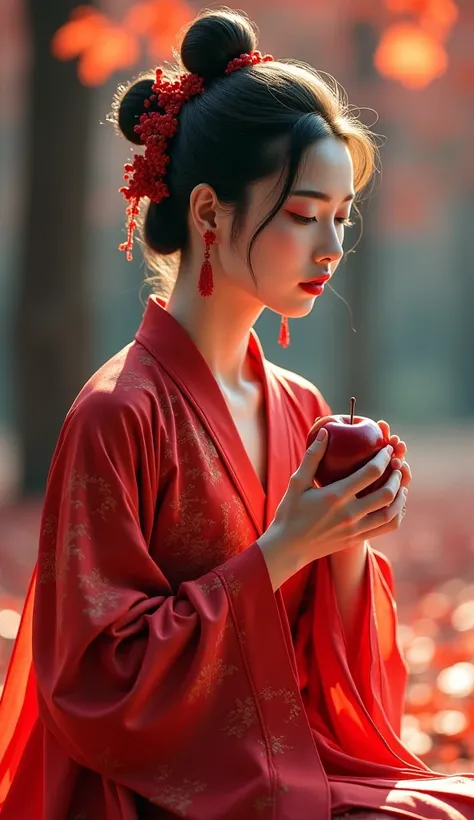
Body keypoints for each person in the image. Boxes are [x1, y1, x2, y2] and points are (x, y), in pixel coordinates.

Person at [0, 7, 473, 819]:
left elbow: (331, 676)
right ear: (210, 213)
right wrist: (285, 549)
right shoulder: (118, 415)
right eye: (302, 213)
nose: (330, 246)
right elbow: (93, 684)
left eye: (342, 216)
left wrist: (348, 547)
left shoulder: (302, 405)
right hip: (158, 791)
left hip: (288, 757)